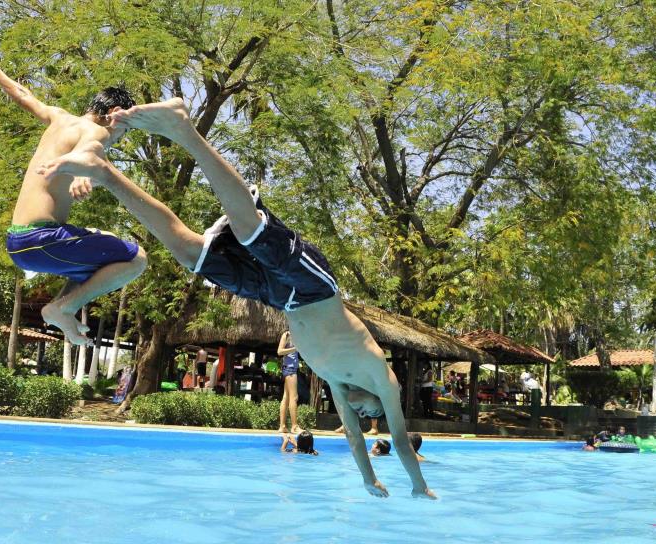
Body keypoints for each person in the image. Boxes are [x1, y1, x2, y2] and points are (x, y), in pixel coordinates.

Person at [38, 98, 434, 499]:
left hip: (280, 300)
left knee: (192, 255)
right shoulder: (384, 381)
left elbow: (352, 434)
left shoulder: (336, 381)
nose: (367, 413)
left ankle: (105, 175)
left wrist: (369, 478)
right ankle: (184, 130)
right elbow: (400, 440)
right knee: (251, 231)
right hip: (316, 287)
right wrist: (418, 485)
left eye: (368, 415)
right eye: (372, 412)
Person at [0, 47, 147, 345]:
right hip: (42, 239)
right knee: (137, 259)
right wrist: (82, 173)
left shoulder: (59, 117)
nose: (120, 136)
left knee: (101, 244)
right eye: (124, 129)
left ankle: (60, 307)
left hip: (19, 243)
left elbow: (25, 96)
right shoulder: (97, 131)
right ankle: (65, 307)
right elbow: (90, 150)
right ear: (114, 115)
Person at [277, 330, 302, 434]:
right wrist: (295, 348)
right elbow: (279, 351)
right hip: (290, 369)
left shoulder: (297, 335)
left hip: (291, 368)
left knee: (286, 397)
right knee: (294, 397)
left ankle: (282, 426)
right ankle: (294, 426)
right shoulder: (287, 335)